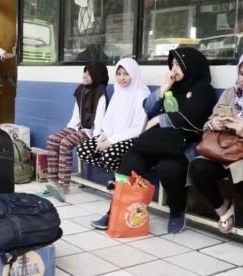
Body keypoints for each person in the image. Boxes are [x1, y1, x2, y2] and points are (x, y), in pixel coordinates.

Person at [91, 48, 216, 234]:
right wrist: (163, 88)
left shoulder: (203, 90)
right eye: (172, 64)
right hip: (156, 141)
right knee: (129, 162)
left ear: (191, 66)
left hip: (182, 145)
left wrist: (160, 120)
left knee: (169, 169)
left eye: (178, 64)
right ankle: (114, 211)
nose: (174, 68)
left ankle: (176, 212)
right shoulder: (172, 86)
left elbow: (195, 116)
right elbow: (147, 109)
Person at [189, 54, 243, 234]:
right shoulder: (230, 93)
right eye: (242, 74)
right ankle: (223, 210)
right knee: (198, 167)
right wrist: (214, 124)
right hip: (224, 150)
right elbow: (208, 122)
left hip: (240, 157)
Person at [42, 62, 109, 202]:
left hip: (92, 131)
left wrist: (95, 137)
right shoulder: (81, 90)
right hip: (78, 127)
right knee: (53, 139)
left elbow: (99, 119)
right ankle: (54, 183)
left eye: (89, 73)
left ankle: (64, 185)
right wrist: (68, 129)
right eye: (85, 72)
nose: (84, 75)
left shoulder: (100, 92)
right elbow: (76, 115)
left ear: (97, 76)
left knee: (65, 143)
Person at [77, 58, 150, 173]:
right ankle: (119, 174)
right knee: (83, 150)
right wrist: (104, 135)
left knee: (108, 155)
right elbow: (109, 120)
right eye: (119, 74)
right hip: (113, 136)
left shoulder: (142, 94)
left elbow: (138, 129)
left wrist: (110, 141)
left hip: (133, 139)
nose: (122, 78)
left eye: (126, 74)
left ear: (134, 74)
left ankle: (121, 178)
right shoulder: (118, 91)